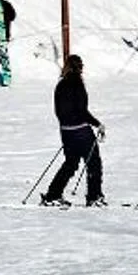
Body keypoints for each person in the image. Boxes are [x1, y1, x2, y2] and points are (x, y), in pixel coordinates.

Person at [41, 54, 106, 207]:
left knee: (71, 163)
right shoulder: (77, 84)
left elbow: (58, 111)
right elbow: (82, 111)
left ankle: (53, 194)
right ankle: (94, 196)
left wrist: (66, 126)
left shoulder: (61, 84)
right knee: (94, 163)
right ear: (80, 68)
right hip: (81, 131)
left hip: (66, 131)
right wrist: (97, 124)